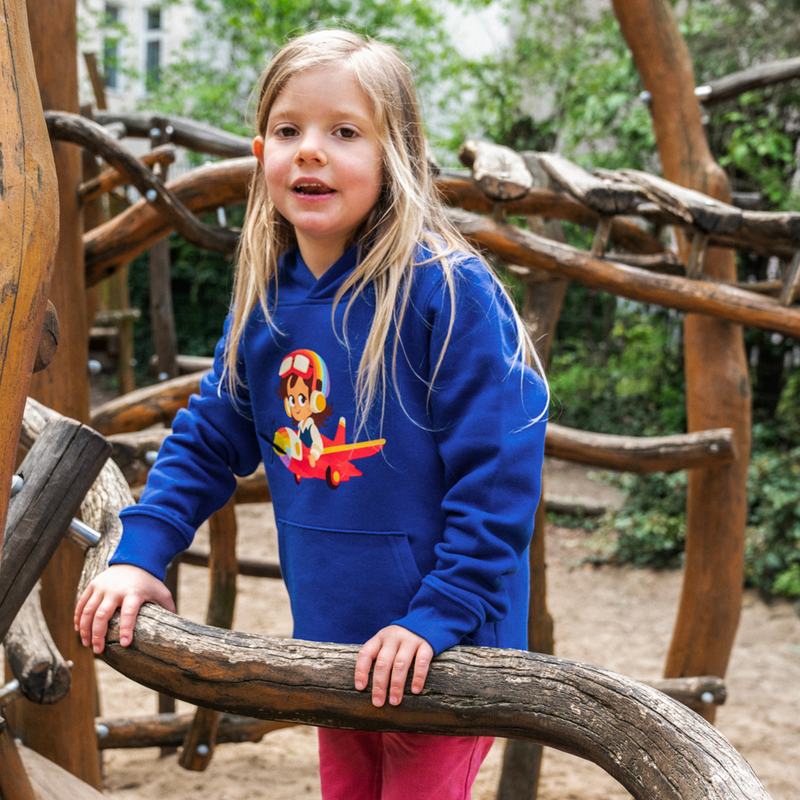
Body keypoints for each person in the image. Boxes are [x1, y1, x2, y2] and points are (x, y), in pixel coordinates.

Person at [75, 28, 548, 800]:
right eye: (290, 131)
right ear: (260, 151)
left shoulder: (444, 291)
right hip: (335, 648)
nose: (311, 151)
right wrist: (139, 551)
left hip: (450, 652)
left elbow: (497, 476)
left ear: (396, 153)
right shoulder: (265, 298)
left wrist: (440, 616)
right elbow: (207, 438)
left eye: (344, 132)